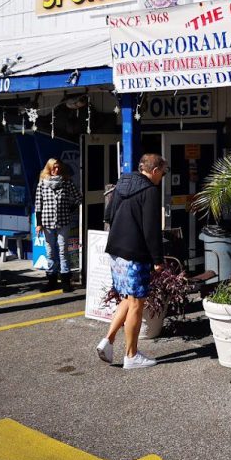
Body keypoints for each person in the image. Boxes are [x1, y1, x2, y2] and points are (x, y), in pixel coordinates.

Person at [96, 153, 167, 370]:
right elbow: (151, 229)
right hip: (135, 253)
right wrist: (157, 259)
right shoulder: (150, 191)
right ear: (154, 171)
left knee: (128, 298)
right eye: (163, 173)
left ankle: (108, 341)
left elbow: (108, 215)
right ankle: (131, 355)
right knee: (137, 303)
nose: (162, 177)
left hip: (116, 250)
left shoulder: (123, 182)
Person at [34, 158, 83, 293]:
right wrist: (39, 224)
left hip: (63, 221)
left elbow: (79, 198)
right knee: (50, 251)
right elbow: (38, 204)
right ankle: (51, 280)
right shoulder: (42, 184)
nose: (56, 170)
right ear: (49, 168)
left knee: (63, 251)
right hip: (47, 222)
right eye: (54, 167)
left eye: (58, 167)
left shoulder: (67, 182)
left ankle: (66, 282)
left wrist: (70, 209)